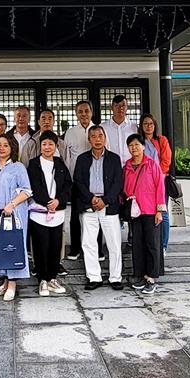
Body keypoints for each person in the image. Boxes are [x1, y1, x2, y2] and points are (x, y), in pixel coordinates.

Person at [0, 134, 32, 301]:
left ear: (12, 148)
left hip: (13, 212)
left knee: (12, 245)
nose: (1, 148)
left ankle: (12, 284)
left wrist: (11, 205)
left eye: (6, 145)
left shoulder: (18, 167)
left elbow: (27, 191)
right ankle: (4, 281)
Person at [73, 124, 123, 290]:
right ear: (89, 140)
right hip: (89, 205)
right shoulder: (82, 159)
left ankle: (115, 277)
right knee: (88, 243)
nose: (97, 139)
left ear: (105, 138)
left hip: (109, 206)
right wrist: (92, 199)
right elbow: (78, 182)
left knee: (114, 243)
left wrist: (105, 200)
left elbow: (118, 184)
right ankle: (94, 277)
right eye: (93, 136)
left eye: (100, 136)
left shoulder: (114, 159)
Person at [27, 131, 73, 296]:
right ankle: (42, 280)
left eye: (51, 144)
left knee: (55, 246)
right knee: (40, 247)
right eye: (45, 144)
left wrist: (58, 201)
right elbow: (32, 186)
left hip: (57, 213)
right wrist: (47, 202)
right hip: (39, 213)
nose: (47, 147)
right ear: (40, 146)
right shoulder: (33, 164)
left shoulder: (60, 164)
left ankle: (52, 278)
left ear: (55, 146)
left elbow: (68, 185)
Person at [122, 133, 166, 295]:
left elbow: (160, 187)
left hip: (151, 211)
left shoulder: (152, 164)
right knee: (137, 245)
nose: (134, 148)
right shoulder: (127, 166)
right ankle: (139, 275)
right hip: (135, 212)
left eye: (136, 145)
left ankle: (151, 277)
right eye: (131, 145)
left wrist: (159, 210)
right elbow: (124, 188)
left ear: (143, 146)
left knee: (152, 245)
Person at [63, 99, 94, 260]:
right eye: (80, 111)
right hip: (76, 180)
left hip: (95, 181)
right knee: (75, 215)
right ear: (76, 114)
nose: (84, 114)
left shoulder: (97, 130)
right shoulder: (70, 132)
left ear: (91, 112)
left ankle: (97, 249)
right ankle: (75, 248)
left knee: (95, 214)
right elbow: (67, 158)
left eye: (86, 111)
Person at [140, 113, 172, 252]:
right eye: (145, 124)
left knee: (162, 213)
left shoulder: (161, 140)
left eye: (151, 124)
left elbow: (166, 160)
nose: (148, 126)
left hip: (160, 180)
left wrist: (157, 175)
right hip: (143, 183)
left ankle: (163, 245)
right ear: (141, 126)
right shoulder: (139, 141)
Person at [104, 94, 159, 166]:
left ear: (127, 107)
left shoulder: (134, 126)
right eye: (117, 105)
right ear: (111, 108)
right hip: (111, 167)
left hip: (132, 167)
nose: (120, 108)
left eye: (123, 105)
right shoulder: (103, 127)